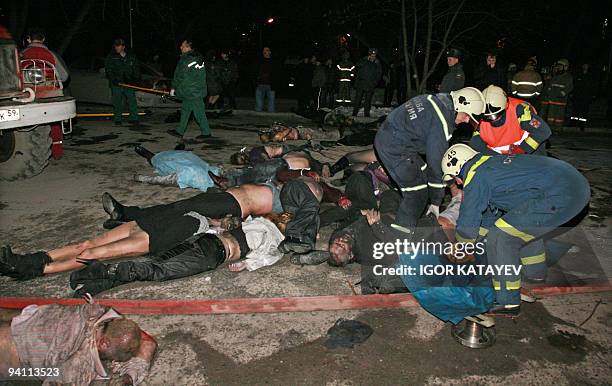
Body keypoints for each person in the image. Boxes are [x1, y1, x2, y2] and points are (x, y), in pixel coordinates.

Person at [0, 182, 283, 279]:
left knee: (94, 251)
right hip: (162, 220)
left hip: (166, 230)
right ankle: (28, 261)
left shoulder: (253, 219)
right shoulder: (225, 211)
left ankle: (32, 269)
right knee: (91, 245)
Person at [441, 144, 590, 314]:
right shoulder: (490, 165)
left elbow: (469, 217)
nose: (458, 183)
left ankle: (507, 301)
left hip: (561, 194)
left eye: (455, 178)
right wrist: (475, 242)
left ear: (459, 169)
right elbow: (487, 216)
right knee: (520, 228)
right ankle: (535, 275)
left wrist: (461, 247)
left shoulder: (476, 176)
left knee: (501, 237)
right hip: (575, 186)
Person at [68, 214, 286, 295]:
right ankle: (98, 270)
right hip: (212, 254)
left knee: (152, 264)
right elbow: (269, 256)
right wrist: (247, 265)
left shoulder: (255, 221)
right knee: (155, 271)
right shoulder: (273, 236)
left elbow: (226, 227)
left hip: (203, 239)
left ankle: (94, 287)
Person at [373, 87, 486, 235]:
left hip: (392, 138)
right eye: (467, 115)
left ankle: (415, 218)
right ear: (460, 104)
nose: (466, 120)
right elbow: (436, 164)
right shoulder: (442, 122)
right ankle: (399, 239)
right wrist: (436, 202)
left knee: (424, 172)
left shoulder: (434, 100)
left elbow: (425, 141)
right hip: (395, 148)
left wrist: (447, 185)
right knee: (417, 193)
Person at [0, 302, 157, 385]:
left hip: (24, 320)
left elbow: (147, 343)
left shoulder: (95, 311)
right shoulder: (80, 366)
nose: (120, 359)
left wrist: (128, 378)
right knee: (26, 373)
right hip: (10, 351)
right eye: (125, 355)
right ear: (103, 344)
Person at [470, 85, 551, 155]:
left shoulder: (520, 110)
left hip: (526, 151)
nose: (493, 119)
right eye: (487, 117)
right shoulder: (479, 116)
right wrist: (495, 158)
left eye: (496, 115)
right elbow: (476, 144)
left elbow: (543, 131)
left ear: (506, 106)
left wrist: (523, 149)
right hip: (498, 155)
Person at [167, 39, 211, 140]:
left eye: (182, 46)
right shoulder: (198, 58)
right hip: (197, 90)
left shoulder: (186, 60)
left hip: (191, 91)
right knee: (186, 110)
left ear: (188, 47)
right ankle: (180, 131)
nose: (180, 47)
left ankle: (206, 132)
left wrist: (173, 88)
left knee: (198, 113)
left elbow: (179, 76)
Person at [104, 38, 140, 126]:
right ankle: (118, 119)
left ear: (123, 47)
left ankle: (134, 118)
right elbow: (108, 70)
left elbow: (136, 69)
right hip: (117, 84)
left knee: (132, 101)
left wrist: (134, 79)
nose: (117, 47)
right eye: (116, 46)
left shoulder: (131, 56)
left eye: (119, 46)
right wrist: (114, 79)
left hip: (129, 83)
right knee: (117, 101)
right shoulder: (111, 57)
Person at [541, 59, 573, 130]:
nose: (559, 68)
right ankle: (550, 129)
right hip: (552, 100)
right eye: (558, 66)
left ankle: (558, 129)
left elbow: (569, 87)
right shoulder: (555, 76)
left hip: (561, 101)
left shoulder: (568, 77)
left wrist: (562, 93)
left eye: (560, 66)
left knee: (559, 116)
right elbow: (550, 86)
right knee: (550, 116)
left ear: (565, 67)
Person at [352, 48, 382, 117]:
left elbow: (379, 74)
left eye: (374, 55)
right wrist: (366, 59)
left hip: (370, 84)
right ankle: (354, 113)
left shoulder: (377, 63)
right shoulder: (363, 60)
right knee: (358, 99)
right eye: (372, 55)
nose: (373, 57)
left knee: (368, 101)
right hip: (361, 83)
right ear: (369, 55)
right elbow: (357, 66)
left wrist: (374, 83)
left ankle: (366, 114)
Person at [570, 63, 596, 130]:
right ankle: (573, 123)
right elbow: (575, 85)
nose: (585, 67)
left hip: (586, 97)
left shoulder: (590, 76)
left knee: (584, 111)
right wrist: (572, 93)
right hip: (577, 96)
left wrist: (592, 95)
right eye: (584, 65)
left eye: (586, 65)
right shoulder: (578, 75)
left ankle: (582, 125)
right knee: (575, 110)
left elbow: (593, 86)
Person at [254, 47, 280, 112]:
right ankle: (258, 119)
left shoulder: (274, 62)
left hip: (270, 85)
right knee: (259, 104)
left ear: (270, 52)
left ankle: (270, 119)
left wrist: (275, 83)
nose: (265, 52)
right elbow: (254, 71)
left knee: (271, 104)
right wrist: (256, 81)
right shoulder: (259, 61)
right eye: (264, 50)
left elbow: (277, 73)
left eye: (267, 50)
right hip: (260, 84)